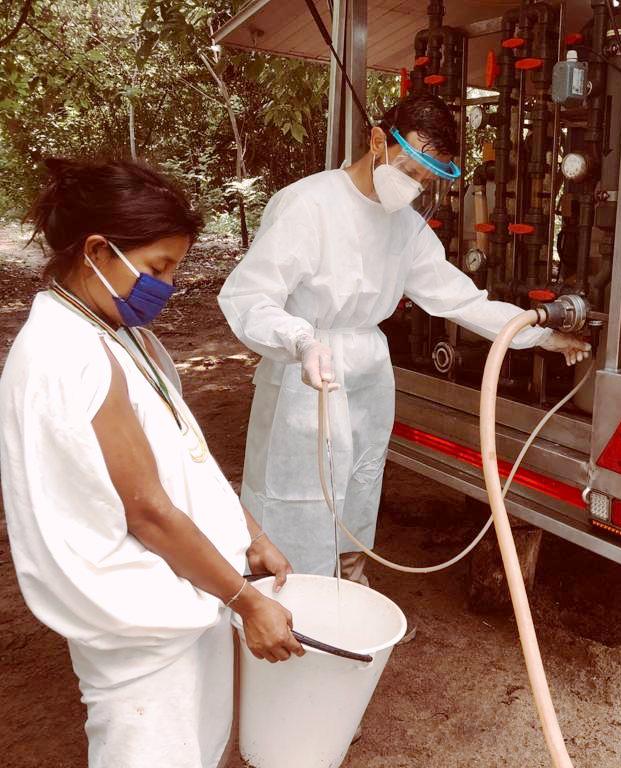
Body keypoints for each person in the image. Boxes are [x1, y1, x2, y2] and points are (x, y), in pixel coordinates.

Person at [0, 158, 305, 768]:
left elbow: (182, 450)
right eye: (157, 267)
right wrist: (248, 603)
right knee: (154, 749)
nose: (166, 285)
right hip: (138, 622)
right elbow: (148, 511)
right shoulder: (69, 354)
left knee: (193, 744)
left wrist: (249, 531)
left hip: (183, 593)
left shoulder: (116, 329)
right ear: (96, 250)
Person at [219, 93, 591, 580]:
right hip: (306, 371)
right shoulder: (308, 204)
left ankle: (349, 588)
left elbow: (461, 300)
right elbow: (249, 297)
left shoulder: (406, 228)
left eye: (426, 179)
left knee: (359, 482)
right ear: (378, 140)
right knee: (299, 489)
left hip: (368, 369)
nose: (415, 186)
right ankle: (289, 600)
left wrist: (537, 335)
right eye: (410, 169)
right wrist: (301, 341)